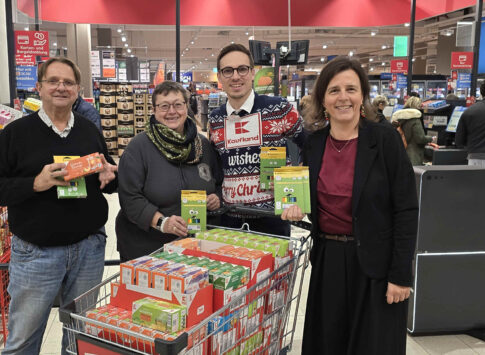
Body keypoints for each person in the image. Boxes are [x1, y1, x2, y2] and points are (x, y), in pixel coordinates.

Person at [0, 57, 118, 355]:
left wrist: (110, 175)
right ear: (39, 87)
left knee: (80, 337)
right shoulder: (16, 133)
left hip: (88, 248)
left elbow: (105, 181)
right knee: (24, 340)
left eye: (68, 82)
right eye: (53, 81)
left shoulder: (89, 132)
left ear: (79, 89)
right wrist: (34, 183)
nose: (61, 88)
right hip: (36, 253)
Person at [281, 57, 417, 354]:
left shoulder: (385, 141)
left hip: (376, 267)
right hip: (328, 260)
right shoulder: (314, 144)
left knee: (373, 345)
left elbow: (406, 210)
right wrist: (295, 208)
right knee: (328, 343)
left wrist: (401, 275)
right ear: (323, 100)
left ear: (362, 96)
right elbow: (308, 197)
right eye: (334, 90)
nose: (343, 97)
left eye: (351, 89)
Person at [116, 81, 223, 261]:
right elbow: (130, 197)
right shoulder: (138, 148)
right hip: (147, 247)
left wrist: (216, 198)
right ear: (154, 110)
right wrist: (162, 222)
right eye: (164, 106)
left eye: (178, 105)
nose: (172, 111)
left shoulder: (202, 145)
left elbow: (218, 182)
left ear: (186, 107)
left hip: (193, 244)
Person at [208, 43, 305, 236]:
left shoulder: (278, 108)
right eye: (228, 71)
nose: (236, 76)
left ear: (252, 73)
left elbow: (311, 147)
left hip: (272, 220)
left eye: (242, 69)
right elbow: (217, 168)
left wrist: (295, 186)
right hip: (230, 220)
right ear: (219, 77)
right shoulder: (216, 119)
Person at [392, 96, 435, 165]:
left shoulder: (398, 118)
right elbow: (420, 138)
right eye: (420, 106)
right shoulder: (415, 120)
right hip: (413, 155)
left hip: (400, 153)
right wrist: (430, 138)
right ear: (417, 106)